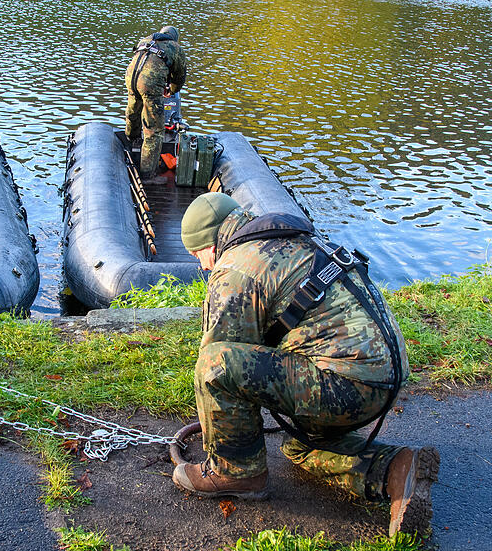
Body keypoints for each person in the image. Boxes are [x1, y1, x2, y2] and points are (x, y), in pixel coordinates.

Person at [174, 192, 439, 537]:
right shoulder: (294, 240)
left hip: (345, 385)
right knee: (298, 446)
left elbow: (218, 363)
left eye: (198, 255)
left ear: (211, 244)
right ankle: (394, 470)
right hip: (385, 376)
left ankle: (236, 471)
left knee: (215, 363)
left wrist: (224, 434)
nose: (202, 266)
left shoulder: (236, 268)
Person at [124, 25, 187, 181]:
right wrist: (171, 90)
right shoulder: (175, 47)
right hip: (150, 83)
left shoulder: (147, 40)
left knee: (134, 110)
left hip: (131, 77)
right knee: (154, 129)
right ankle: (148, 174)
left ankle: (131, 139)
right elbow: (179, 77)